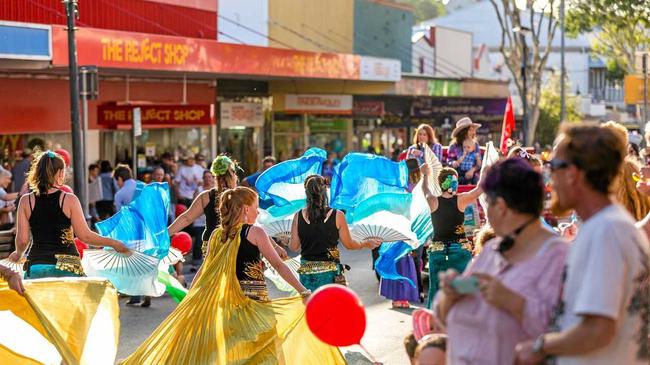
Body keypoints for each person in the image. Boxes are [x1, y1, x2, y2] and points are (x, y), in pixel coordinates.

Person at [119, 186, 346, 364]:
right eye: (256, 206)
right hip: (255, 306)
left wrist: (190, 296)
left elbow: (204, 269)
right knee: (265, 353)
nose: (258, 212)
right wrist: (303, 290)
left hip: (228, 308)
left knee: (234, 356)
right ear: (246, 209)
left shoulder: (218, 234)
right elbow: (278, 264)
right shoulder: (255, 232)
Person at [514, 124, 650, 365]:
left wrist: (539, 347)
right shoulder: (608, 227)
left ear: (574, 173)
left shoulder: (606, 232)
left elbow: (598, 330)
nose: (549, 179)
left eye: (553, 166)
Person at [433, 158, 569, 364]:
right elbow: (442, 317)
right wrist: (449, 297)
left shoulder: (557, 257)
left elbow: (572, 333)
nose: (485, 211)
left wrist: (514, 302)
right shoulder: (492, 249)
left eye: (486, 202)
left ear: (501, 207)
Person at [7, 150, 129, 279]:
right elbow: (85, 236)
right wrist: (114, 243)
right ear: (60, 173)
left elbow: (22, 241)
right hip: (68, 267)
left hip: (37, 265)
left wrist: (18, 254)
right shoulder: (69, 199)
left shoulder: (26, 201)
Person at [289, 175, 380, 291]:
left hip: (307, 275)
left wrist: (287, 240)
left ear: (307, 193)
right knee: (330, 308)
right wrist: (365, 243)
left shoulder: (298, 216)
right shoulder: (337, 215)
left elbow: (294, 247)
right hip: (330, 274)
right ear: (325, 191)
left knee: (310, 308)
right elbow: (349, 244)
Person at [421, 164, 482, 307]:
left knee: (436, 292)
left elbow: (425, 190)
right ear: (452, 182)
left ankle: (434, 324)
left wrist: (425, 175)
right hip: (460, 251)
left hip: (438, 253)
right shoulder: (461, 200)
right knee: (464, 293)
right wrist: (486, 170)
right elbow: (479, 190)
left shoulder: (433, 200)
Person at [168, 155, 239, 264]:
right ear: (233, 175)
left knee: (211, 279)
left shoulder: (206, 196)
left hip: (212, 244)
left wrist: (165, 234)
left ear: (214, 176)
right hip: (235, 243)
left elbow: (187, 218)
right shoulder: (241, 195)